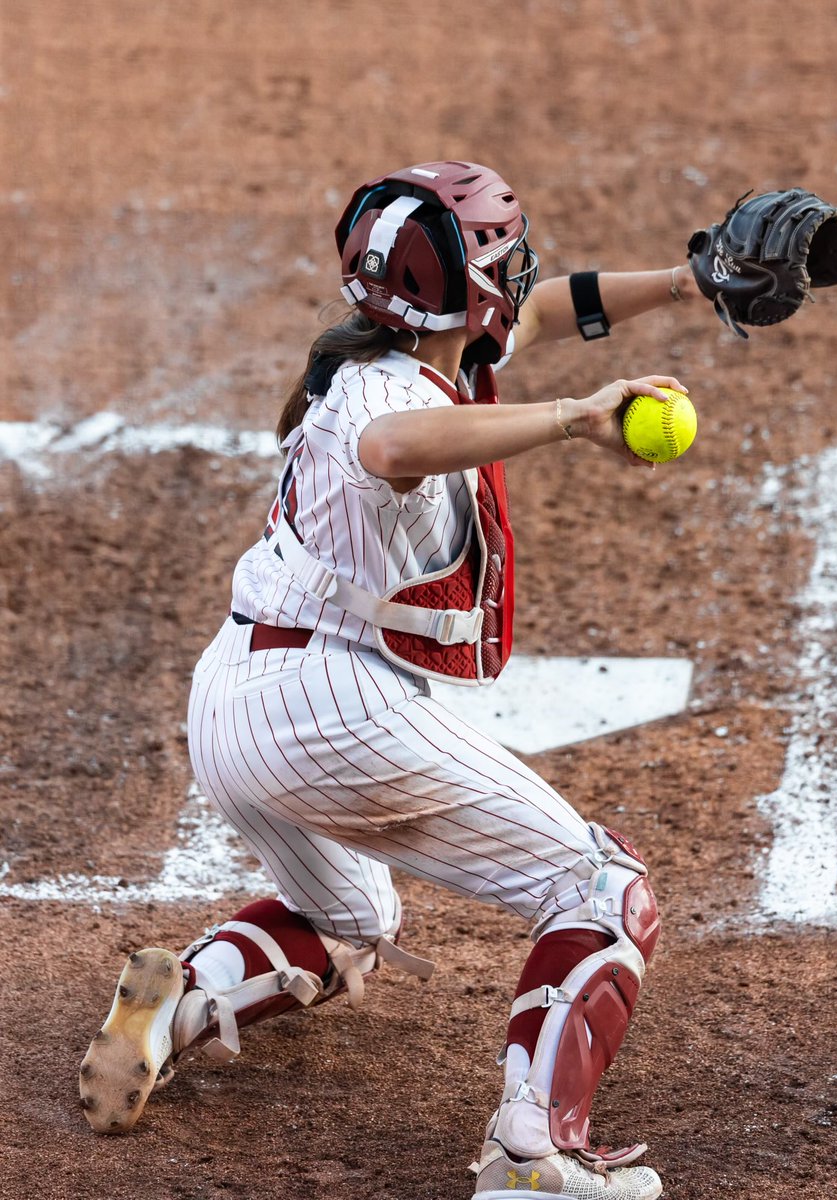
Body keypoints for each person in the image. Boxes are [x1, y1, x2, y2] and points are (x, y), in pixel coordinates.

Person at [80, 160, 700, 1200]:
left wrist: (690, 282)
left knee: (352, 921)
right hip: (329, 711)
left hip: (235, 698)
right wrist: (576, 418)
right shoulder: (385, 394)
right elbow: (399, 442)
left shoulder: (391, 348)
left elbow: (546, 310)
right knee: (600, 889)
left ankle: (179, 1003)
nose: (521, 263)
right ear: (465, 282)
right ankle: (533, 1153)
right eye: (504, 248)